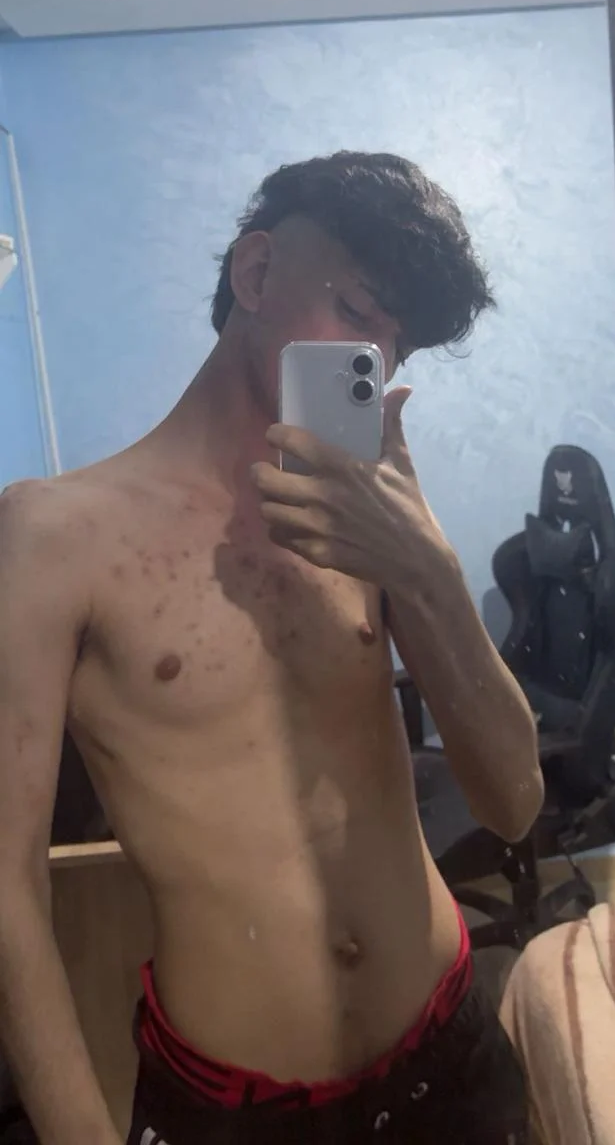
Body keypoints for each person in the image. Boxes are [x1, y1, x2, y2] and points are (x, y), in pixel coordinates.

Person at [0, 152, 543, 1145]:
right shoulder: (50, 537)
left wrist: (425, 569)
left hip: (452, 1053)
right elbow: (7, 885)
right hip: (235, 1114)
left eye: (396, 345)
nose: (374, 365)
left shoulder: (373, 507)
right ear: (255, 274)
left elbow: (515, 800)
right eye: (357, 311)